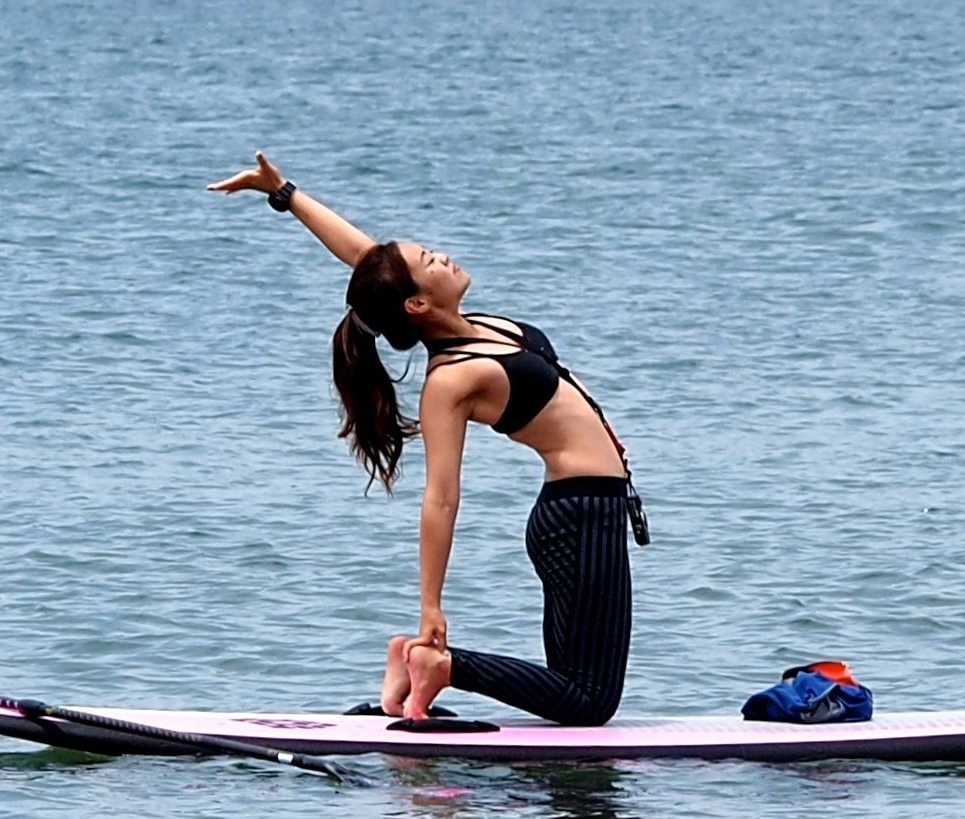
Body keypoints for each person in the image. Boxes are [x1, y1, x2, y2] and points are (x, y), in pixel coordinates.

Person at [208, 153, 647, 725]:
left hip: (583, 513)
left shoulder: (478, 325)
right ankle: (439, 666)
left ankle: (419, 664)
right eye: (427, 260)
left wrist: (287, 194)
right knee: (589, 702)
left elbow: (366, 260)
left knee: (572, 687)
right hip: (583, 515)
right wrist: (431, 607)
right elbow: (441, 498)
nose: (440, 254)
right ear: (417, 304)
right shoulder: (451, 379)